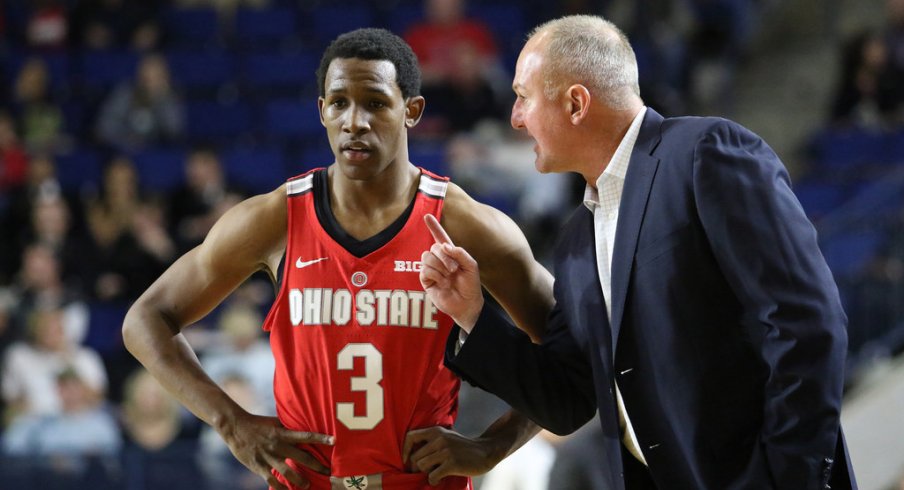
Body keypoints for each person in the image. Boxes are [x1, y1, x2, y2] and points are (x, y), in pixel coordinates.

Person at [419, 15, 857, 490]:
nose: (515, 117)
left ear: (575, 103)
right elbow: (567, 400)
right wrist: (474, 315)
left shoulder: (705, 154)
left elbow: (807, 324)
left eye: (523, 97)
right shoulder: (575, 242)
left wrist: (791, 476)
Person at [123, 28, 553, 490]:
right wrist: (230, 422)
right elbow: (145, 320)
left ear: (412, 111)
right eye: (339, 103)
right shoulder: (275, 218)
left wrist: (492, 447)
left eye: (375, 103)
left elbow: (569, 348)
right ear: (321, 112)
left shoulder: (464, 224)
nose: (354, 121)